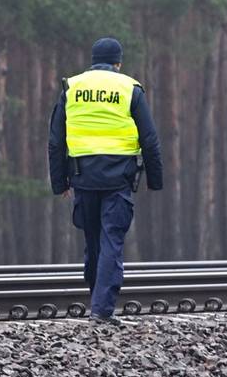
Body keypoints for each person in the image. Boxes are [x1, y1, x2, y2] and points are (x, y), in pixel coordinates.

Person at [48, 37, 163, 326]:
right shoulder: (129, 88)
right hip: (118, 179)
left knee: (93, 242)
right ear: (118, 62)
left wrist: (59, 182)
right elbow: (150, 139)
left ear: (92, 60)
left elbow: (55, 141)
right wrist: (155, 178)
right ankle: (101, 309)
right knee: (112, 240)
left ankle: (96, 302)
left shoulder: (72, 88)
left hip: (82, 177)